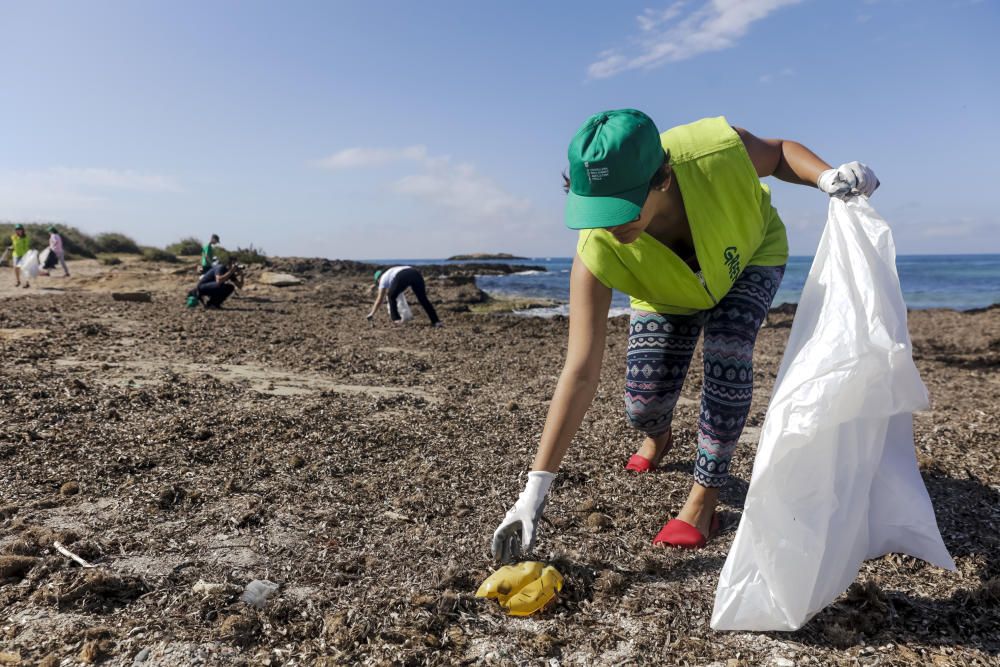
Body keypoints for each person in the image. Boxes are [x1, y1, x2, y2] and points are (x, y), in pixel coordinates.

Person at [491, 110, 879, 561]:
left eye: (622, 205)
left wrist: (827, 176)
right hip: (666, 293)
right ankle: (658, 436)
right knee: (642, 406)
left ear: (663, 177)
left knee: (727, 353)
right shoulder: (597, 249)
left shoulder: (714, 150)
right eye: (598, 207)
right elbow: (579, 371)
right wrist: (531, 495)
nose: (611, 224)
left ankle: (703, 501)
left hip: (749, 259)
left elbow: (777, 154)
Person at [367, 266, 442, 326]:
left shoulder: (383, 279)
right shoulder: (391, 272)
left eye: (378, 283)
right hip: (415, 273)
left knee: (390, 295)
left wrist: (372, 313)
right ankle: (436, 321)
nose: (379, 285)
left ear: (378, 279)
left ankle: (396, 320)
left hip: (402, 275)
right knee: (423, 299)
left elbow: (379, 299)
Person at [8, 224, 32, 288]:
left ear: (22, 230)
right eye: (17, 230)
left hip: (24, 255)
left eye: (20, 229)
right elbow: (14, 245)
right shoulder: (14, 237)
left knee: (24, 269)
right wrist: (11, 247)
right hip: (16, 254)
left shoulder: (25, 237)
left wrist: (27, 255)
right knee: (16, 268)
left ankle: (27, 283)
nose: (18, 231)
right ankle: (18, 281)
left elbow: (26, 247)